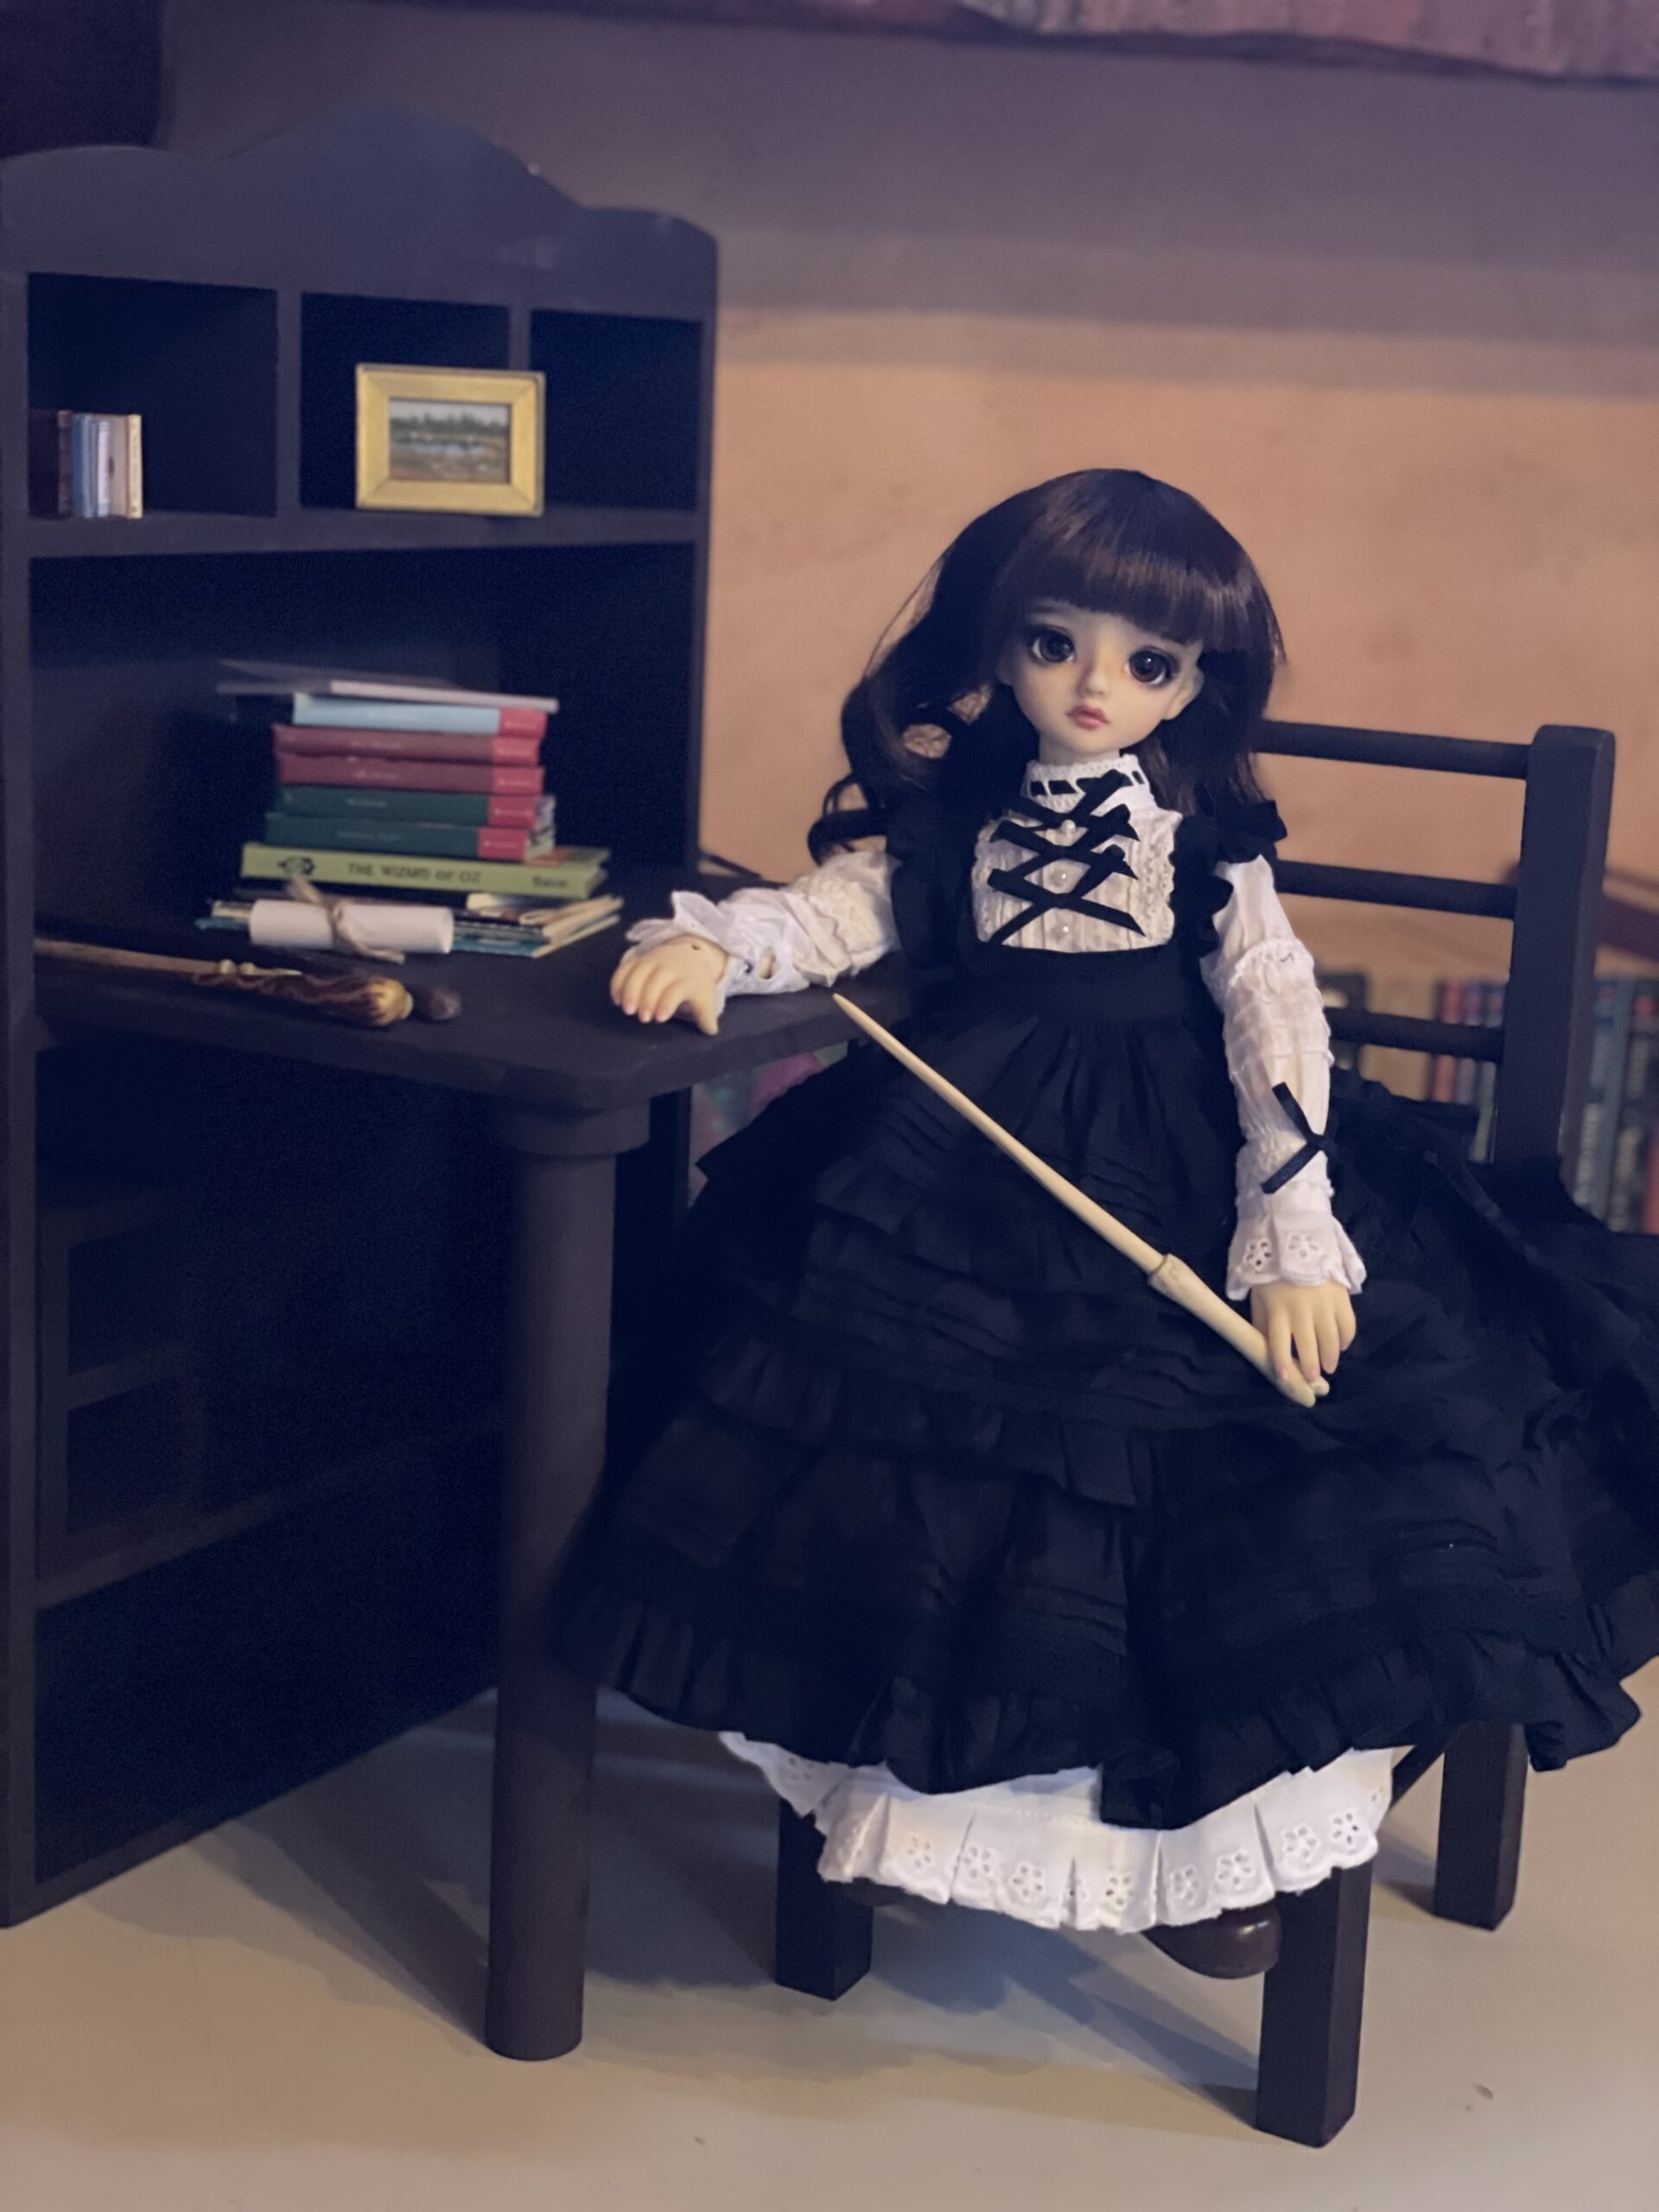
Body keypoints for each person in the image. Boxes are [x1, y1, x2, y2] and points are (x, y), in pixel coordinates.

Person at [551, 468, 1659, 1978]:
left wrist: (1289, 1230)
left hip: (1189, 1149)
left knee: (1262, 1477)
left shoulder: (1204, 844)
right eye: (1052, 641)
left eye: (1149, 661)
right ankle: (936, 1797)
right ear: (997, 646)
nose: (1094, 686)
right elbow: (829, 915)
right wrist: (717, 948)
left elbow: (1273, 1009)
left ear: (1195, 683)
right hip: (959, 1167)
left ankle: (1204, 1835)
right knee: (925, 1464)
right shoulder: (948, 825)